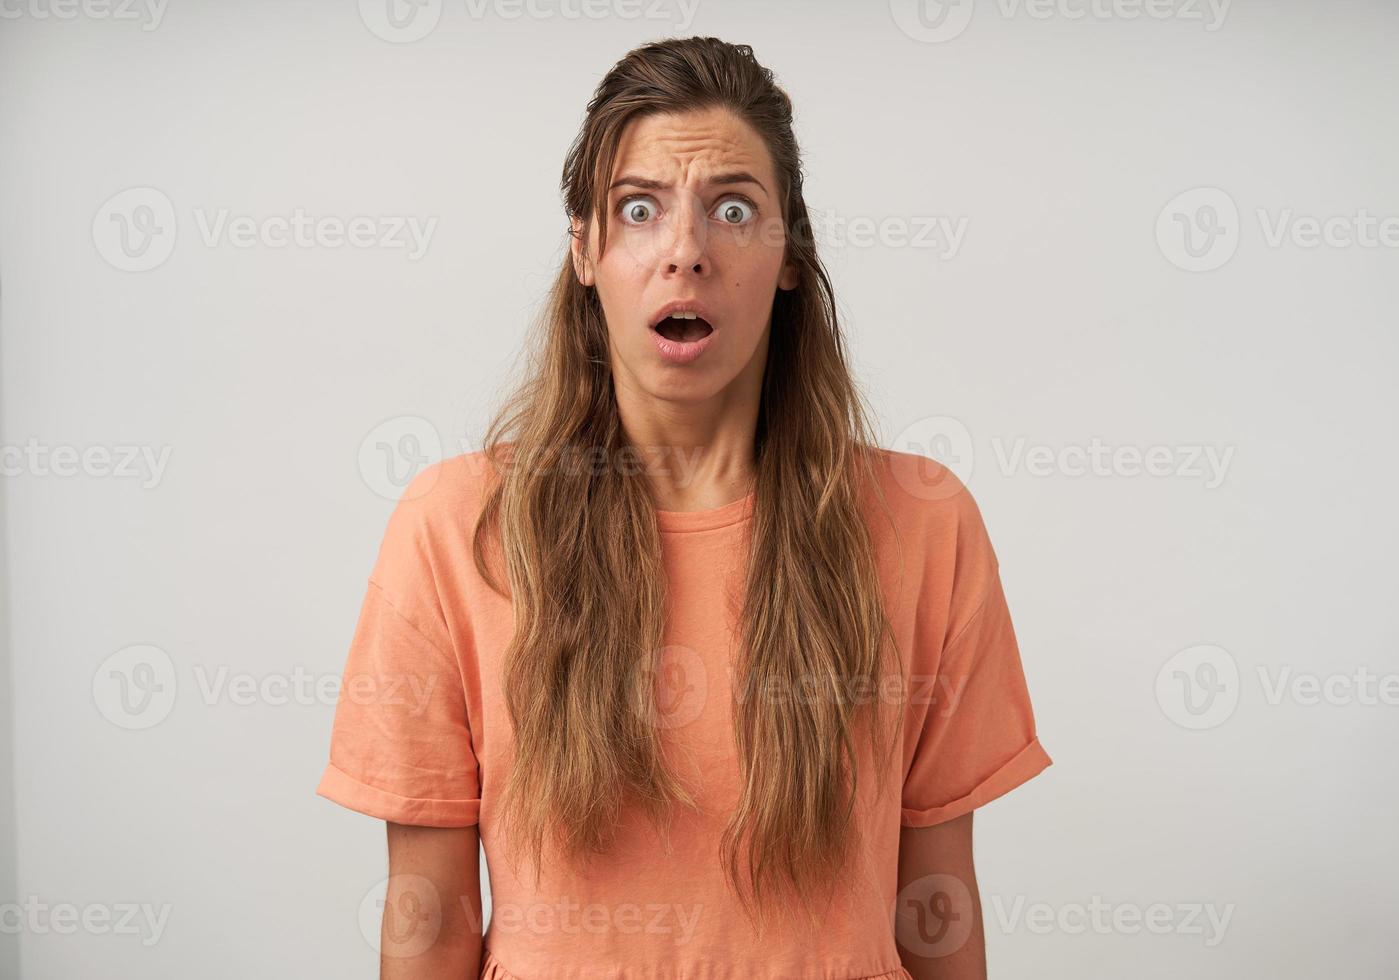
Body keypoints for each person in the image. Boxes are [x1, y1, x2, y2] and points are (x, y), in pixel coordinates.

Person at [317, 35, 1051, 980]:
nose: (687, 253)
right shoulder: (457, 527)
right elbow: (429, 922)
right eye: (638, 211)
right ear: (585, 250)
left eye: (734, 209)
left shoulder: (926, 522)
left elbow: (937, 906)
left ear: (790, 255)